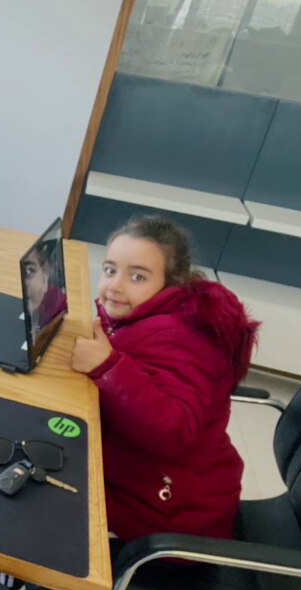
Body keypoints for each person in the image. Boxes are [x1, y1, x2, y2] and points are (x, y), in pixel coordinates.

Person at [71, 215, 259, 543]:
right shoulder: (151, 316)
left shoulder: (181, 338)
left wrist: (108, 367)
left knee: (41, 495)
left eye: (137, 277)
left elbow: (175, 430)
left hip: (170, 514)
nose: (115, 286)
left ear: (171, 283)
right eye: (110, 270)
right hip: (151, 481)